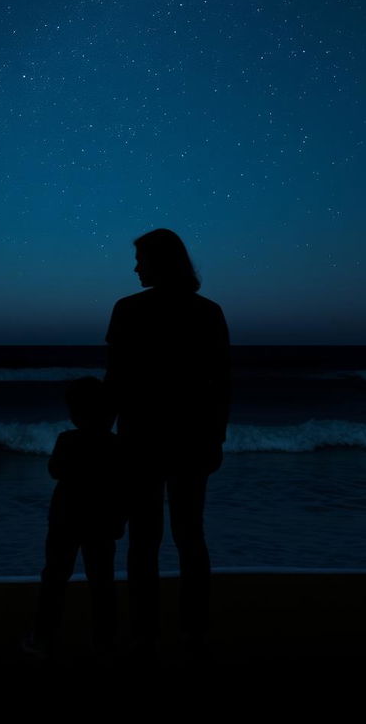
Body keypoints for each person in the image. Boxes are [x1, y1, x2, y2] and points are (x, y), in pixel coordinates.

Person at [104, 228, 231, 655]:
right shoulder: (208, 313)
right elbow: (220, 387)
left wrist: (102, 438)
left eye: (141, 259)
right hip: (191, 438)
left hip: (141, 439)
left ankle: (145, 632)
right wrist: (216, 438)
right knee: (189, 535)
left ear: (160, 262)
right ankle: (193, 629)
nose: (135, 267)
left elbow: (115, 382)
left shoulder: (128, 311)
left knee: (144, 540)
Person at [24, 376, 127, 659]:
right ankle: (104, 640)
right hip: (102, 523)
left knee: (55, 578)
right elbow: (121, 486)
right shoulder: (115, 444)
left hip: (64, 520)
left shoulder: (67, 440)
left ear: (75, 414)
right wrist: (120, 520)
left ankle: (43, 637)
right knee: (102, 581)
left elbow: (54, 471)